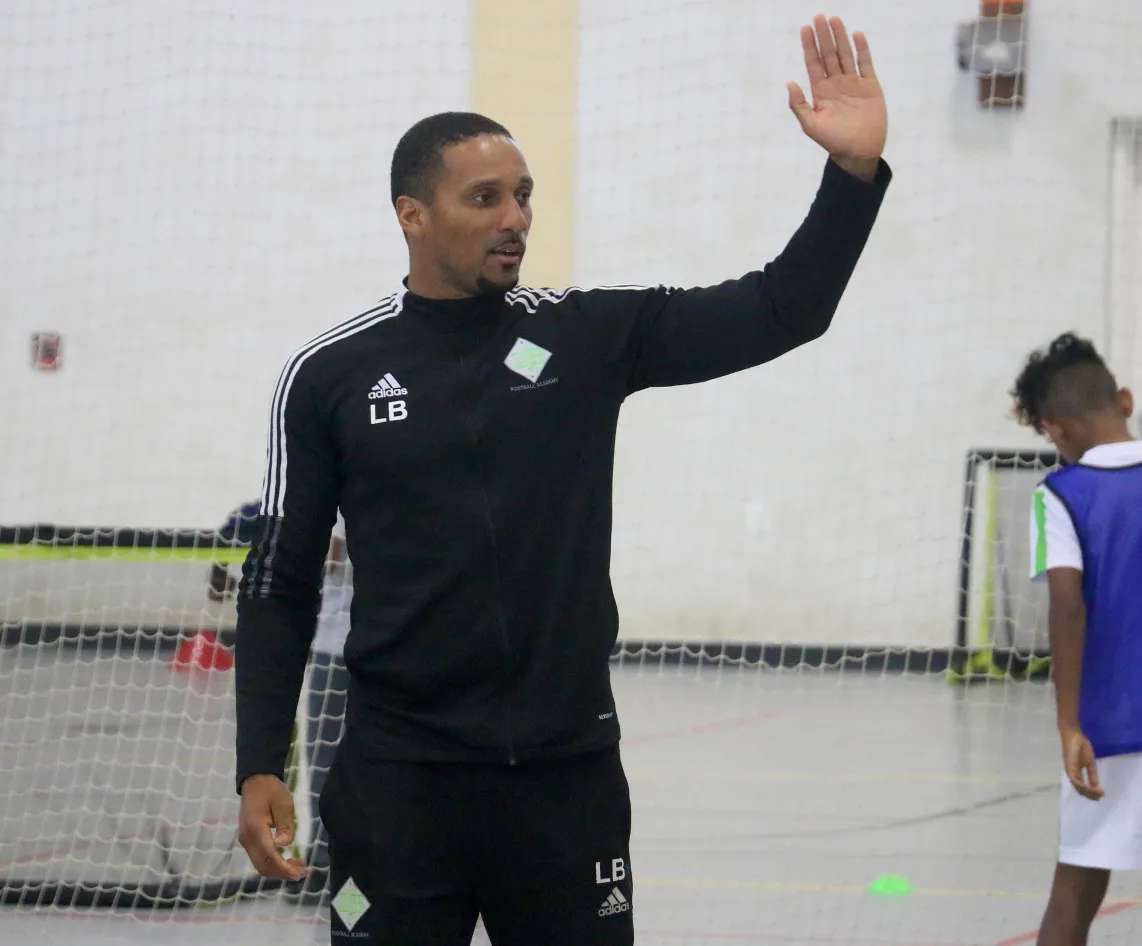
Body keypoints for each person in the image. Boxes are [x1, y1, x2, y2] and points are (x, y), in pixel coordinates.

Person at [235, 15, 890, 945]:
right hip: (398, 782)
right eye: (485, 198)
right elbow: (281, 579)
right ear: (412, 215)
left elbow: (785, 307)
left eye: (523, 196)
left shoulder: (585, 336)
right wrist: (260, 760)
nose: (515, 218)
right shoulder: (330, 374)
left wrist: (852, 176)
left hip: (566, 778)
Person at [1012, 332, 1142, 946]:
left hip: (1111, 725)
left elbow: (1067, 606)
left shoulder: (1060, 494)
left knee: (1077, 887)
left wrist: (1070, 726)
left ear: (1054, 430)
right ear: (1126, 400)